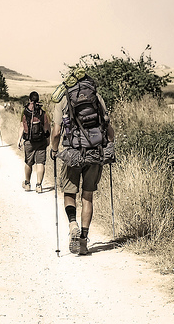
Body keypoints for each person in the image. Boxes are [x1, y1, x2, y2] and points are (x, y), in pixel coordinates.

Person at [50, 70, 115, 255]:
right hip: (95, 152)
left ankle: (72, 225)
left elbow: (55, 133)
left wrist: (54, 151)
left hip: (73, 153)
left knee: (69, 192)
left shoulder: (63, 98)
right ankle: (84, 241)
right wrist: (109, 147)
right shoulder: (96, 96)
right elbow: (109, 129)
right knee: (88, 196)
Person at [17, 91, 51, 194]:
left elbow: (22, 126)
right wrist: (48, 140)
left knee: (28, 162)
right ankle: (39, 185)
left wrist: (19, 139)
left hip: (28, 141)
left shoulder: (25, 111)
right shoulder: (43, 111)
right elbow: (47, 127)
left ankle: (27, 184)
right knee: (40, 163)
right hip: (41, 140)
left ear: (29, 99)